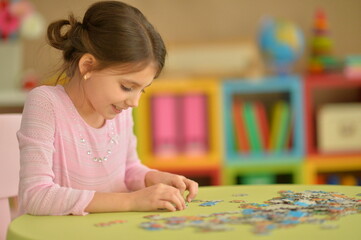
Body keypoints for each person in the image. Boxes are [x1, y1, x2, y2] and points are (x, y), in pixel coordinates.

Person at [17, 1, 198, 216]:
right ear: (88, 66)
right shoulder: (46, 104)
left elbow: (129, 170)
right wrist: (131, 202)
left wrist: (151, 177)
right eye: (127, 87)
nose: (134, 102)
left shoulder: (120, 109)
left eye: (142, 90)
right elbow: (36, 196)